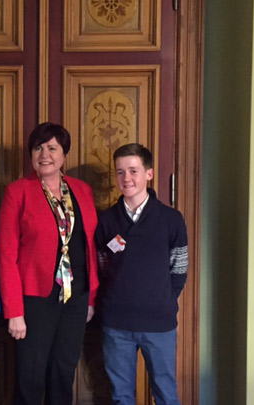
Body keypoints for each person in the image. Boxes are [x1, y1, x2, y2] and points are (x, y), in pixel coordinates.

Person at [0, 122, 99, 404]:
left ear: (64, 154)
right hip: (34, 299)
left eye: (52, 148)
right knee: (30, 376)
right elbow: (5, 255)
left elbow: (88, 246)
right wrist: (14, 311)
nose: (45, 154)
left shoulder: (82, 190)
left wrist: (90, 297)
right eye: (38, 148)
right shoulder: (18, 191)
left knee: (63, 373)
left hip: (75, 298)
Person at [95, 143, 188, 405]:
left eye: (133, 171)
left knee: (166, 393)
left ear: (149, 173)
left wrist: (164, 299)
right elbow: (103, 264)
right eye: (120, 172)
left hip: (159, 323)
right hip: (117, 323)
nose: (127, 179)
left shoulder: (171, 220)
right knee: (121, 396)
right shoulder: (107, 220)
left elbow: (179, 267)